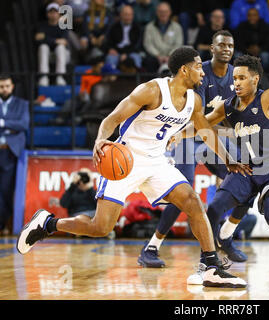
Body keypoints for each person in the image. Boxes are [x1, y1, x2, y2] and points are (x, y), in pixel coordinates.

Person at [16, 46, 251, 288]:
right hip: (125, 160)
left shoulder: (195, 100)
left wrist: (227, 159)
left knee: (192, 201)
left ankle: (211, 267)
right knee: (100, 227)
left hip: (157, 161)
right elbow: (113, 119)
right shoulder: (151, 90)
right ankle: (48, 223)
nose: (203, 72)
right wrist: (100, 140)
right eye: (199, 66)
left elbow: (204, 130)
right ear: (184, 69)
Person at [175, 27, 269, 280]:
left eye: (242, 78)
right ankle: (208, 263)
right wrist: (176, 133)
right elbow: (203, 124)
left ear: (255, 79)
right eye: (234, 79)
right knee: (212, 211)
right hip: (246, 168)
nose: (236, 83)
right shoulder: (229, 106)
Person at [138, 30, 251, 269]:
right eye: (221, 45)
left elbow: (233, 117)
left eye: (230, 46)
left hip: (213, 134)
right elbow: (197, 118)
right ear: (212, 48)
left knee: (247, 178)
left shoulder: (236, 76)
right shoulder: (200, 73)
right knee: (183, 192)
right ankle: (151, 247)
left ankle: (226, 235)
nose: (226, 49)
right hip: (189, 133)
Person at [0, 75, 29, 235]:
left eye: (6, 86)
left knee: (5, 189)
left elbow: (23, 124)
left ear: (12, 87)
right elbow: (17, 125)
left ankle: (3, 224)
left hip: (9, 151)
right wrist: (12, 127)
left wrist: (3, 123)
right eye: (1, 86)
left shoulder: (22, 104)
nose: (4, 89)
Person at [142, 2, 183, 73]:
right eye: (161, 11)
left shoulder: (177, 27)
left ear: (170, 12)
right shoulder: (149, 27)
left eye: (165, 11)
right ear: (157, 12)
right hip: (155, 57)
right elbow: (148, 44)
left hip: (172, 56)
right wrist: (158, 56)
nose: (163, 14)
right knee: (148, 61)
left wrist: (169, 56)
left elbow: (178, 44)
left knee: (180, 60)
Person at [36, 2, 71, 86]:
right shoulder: (42, 25)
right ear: (47, 14)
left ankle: (60, 77)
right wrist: (56, 40)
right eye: (50, 12)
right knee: (43, 47)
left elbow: (64, 42)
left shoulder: (64, 25)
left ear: (59, 14)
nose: (53, 14)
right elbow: (37, 38)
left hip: (63, 55)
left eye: (55, 12)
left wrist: (46, 38)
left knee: (60, 47)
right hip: (47, 55)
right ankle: (43, 77)